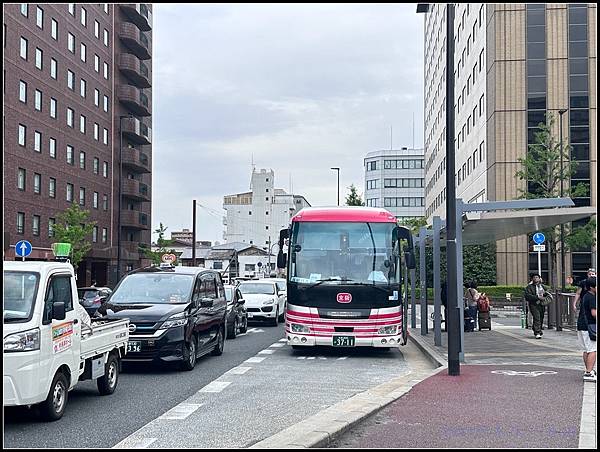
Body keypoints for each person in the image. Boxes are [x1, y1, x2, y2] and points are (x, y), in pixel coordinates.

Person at [577, 277, 596, 382]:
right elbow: (594, 313)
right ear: (592, 287)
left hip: (581, 325)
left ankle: (589, 370)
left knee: (586, 350)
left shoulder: (585, 296)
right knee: (593, 349)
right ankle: (589, 373)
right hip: (590, 326)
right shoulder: (592, 297)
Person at [524, 273, 551, 339]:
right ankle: (537, 332)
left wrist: (545, 295)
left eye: (537, 277)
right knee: (537, 317)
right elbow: (527, 296)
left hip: (542, 304)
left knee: (541, 317)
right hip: (533, 304)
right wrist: (537, 297)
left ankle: (537, 329)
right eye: (534, 277)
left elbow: (548, 292)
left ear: (539, 279)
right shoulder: (529, 287)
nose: (536, 278)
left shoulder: (542, 286)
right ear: (532, 279)